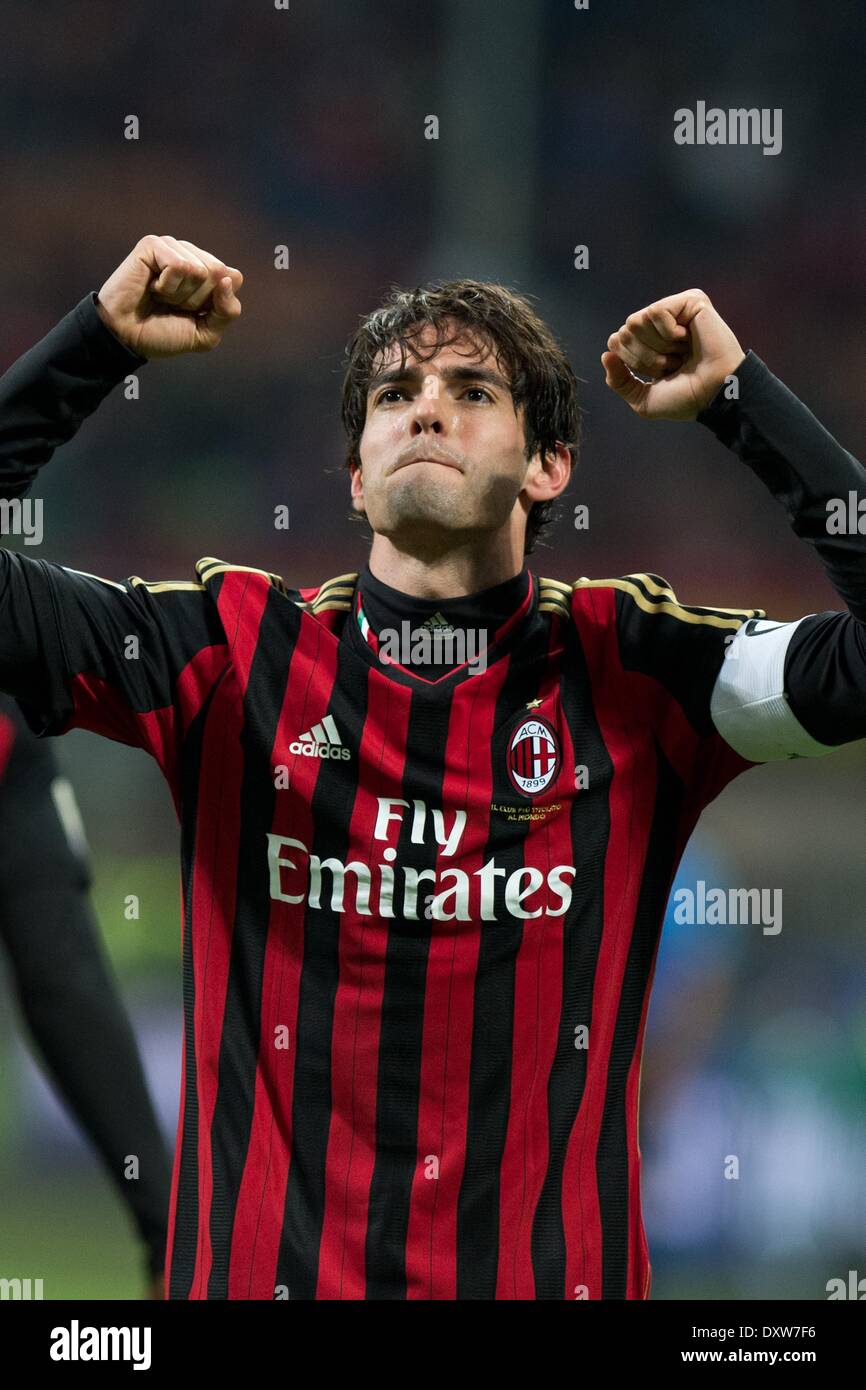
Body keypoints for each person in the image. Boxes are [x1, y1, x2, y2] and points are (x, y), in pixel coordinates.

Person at [0, 234, 863, 1300]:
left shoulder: (638, 669)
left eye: (471, 389)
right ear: (357, 479)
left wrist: (740, 400)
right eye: (394, 392)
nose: (425, 406)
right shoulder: (228, 655)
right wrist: (92, 345)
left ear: (546, 465)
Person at [0, 692, 170, 1296]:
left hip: (11, 760)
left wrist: (165, 1231)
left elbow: (63, 980)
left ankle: (174, 1252)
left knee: (63, 968)